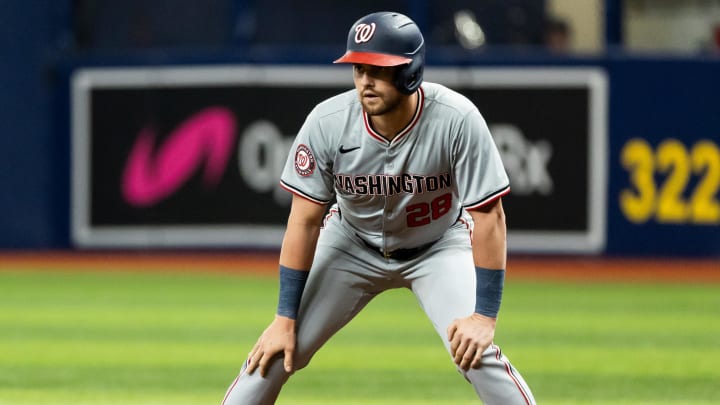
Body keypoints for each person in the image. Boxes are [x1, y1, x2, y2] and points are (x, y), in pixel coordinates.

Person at [221, 11, 536, 405]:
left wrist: (485, 318)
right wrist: (284, 319)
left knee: (476, 355)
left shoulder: (457, 119)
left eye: (378, 69)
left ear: (410, 71)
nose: (365, 80)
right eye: (358, 68)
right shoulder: (328, 122)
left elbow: (489, 217)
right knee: (274, 353)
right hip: (351, 244)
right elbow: (303, 221)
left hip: (438, 246)